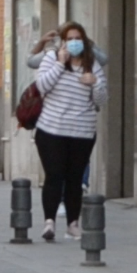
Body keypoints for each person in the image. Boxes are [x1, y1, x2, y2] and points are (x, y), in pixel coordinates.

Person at [33, 22, 107, 242]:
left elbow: (101, 100)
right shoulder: (51, 58)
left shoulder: (92, 64)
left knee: (75, 179)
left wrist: (95, 83)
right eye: (70, 39)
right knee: (54, 176)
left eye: (78, 38)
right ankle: (49, 222)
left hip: (82, 132)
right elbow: (41, 86)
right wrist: (59, 63)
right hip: (51, 129)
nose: (74, 42)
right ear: (63, 42)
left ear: (84, 41)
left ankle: (73, 224)